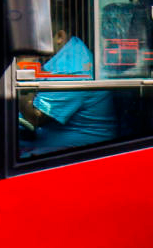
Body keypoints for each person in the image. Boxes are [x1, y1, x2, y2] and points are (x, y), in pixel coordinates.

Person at [19, 26, 119, 155]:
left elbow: (35, 118)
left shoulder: (73, 69)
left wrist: (23, 68)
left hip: (78, 153)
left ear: (60, 37)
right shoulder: (65, 50)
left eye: (34, 39)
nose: (29, 45)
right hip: (45, 139)